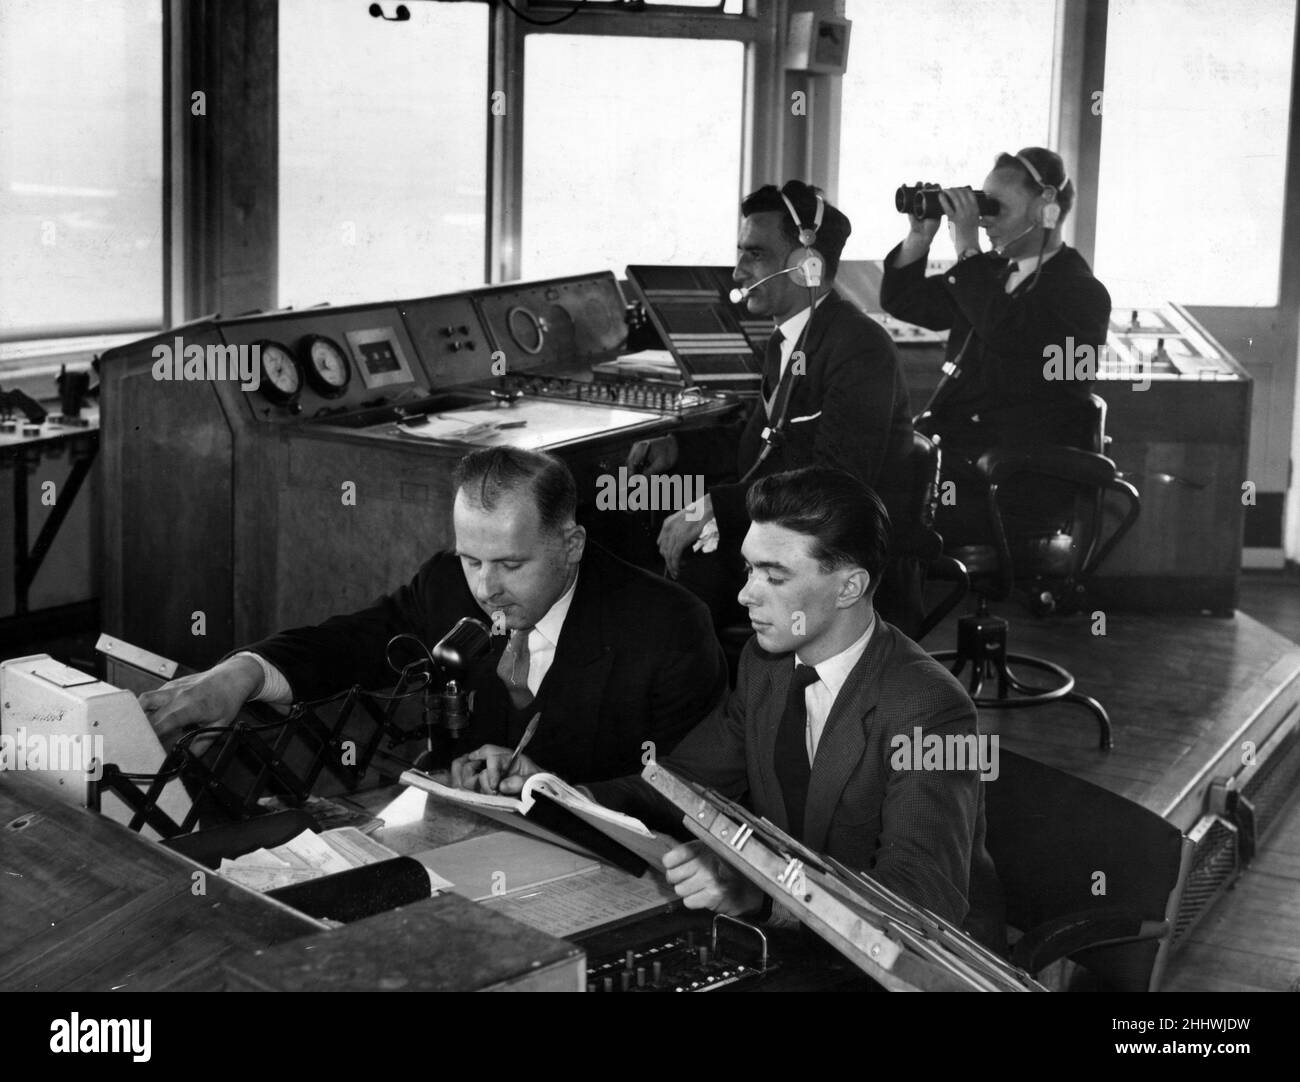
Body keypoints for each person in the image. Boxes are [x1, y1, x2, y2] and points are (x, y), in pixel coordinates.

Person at [463, 466, 1001, 942]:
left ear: (849, 587)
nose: (746, 595)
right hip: (800, 943)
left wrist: (765, 894)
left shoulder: (932, 708)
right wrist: (557, 792)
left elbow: (923, 901)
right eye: (748, 570)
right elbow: (680, 785)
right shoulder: (765, 665)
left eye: (774, 576)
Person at [139, 447, 727, 785]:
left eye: (510, 564)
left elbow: (689, 791)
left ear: (571, 546)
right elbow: (352, 641)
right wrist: (243, 671)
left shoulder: (670, 627)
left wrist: (552, 790)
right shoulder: (448, 583)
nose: (486, 588)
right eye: (472, 558)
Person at [627, 180, 913, 627]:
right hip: (781, 526)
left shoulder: (859, 347)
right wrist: (678, 448)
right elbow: (761, 444)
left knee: (673, 599)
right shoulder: (787, 339)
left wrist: (712, 508)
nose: (738, 272)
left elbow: (837, 483)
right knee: (619, 512)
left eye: (754, 254)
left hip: (826, 547)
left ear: (805, 266)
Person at [879, 147, 1112, 546]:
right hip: (959, 464)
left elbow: (1008, 334)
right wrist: (920, 236)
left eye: (995, 208)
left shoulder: (1081, 293)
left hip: (1009, 482)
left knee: (874, 514)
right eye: (980, 207)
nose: (984, 221)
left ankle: (895, 604)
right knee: (851, 489)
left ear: (1045, 207)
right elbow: (905, 300)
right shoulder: (991, 275)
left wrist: (968, 250)